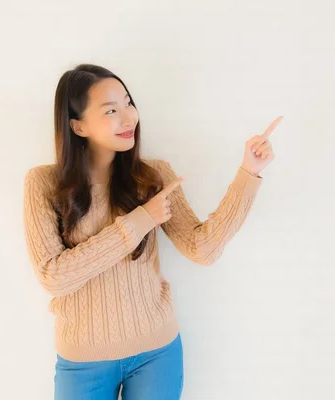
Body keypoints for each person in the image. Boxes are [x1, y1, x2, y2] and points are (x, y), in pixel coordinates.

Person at [22, 63, 281, 400]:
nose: (128, 117)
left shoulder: (153, 176)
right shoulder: (43, 184)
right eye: (111, 110)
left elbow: (202, 249)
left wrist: (248, 173)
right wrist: (140, 220)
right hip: (82, 361)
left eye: (128, 103)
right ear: (78, 125)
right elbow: (53, 277)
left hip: (157, 352)